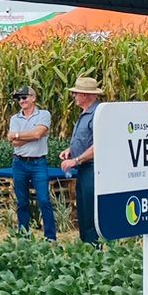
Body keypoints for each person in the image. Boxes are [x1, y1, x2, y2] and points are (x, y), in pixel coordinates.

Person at [59, 75, 103, 247]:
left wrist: (76, 160)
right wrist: (70, 151)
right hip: (84, 168)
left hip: (93, 168)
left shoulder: (97, 114)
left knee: (91, 210)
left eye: (76, 93)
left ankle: (94, 247)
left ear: (85, 95)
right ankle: (86, 246)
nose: (74, 96)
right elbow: (86, 140)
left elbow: (100, 145)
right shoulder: (85, 114)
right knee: (83, 209)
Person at [7, 86, 56, 241]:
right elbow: (15, 143)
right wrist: (33, 135)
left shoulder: (44, 114)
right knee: (22, 202)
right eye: (19, 98)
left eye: (24, 97)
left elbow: (37, 134)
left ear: (33, 98)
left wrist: (18, 135)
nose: (21, 101)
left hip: (38, 163)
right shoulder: (15, 118)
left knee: (44, 200)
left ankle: (50, 237)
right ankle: (24, 236)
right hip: (19, 163)